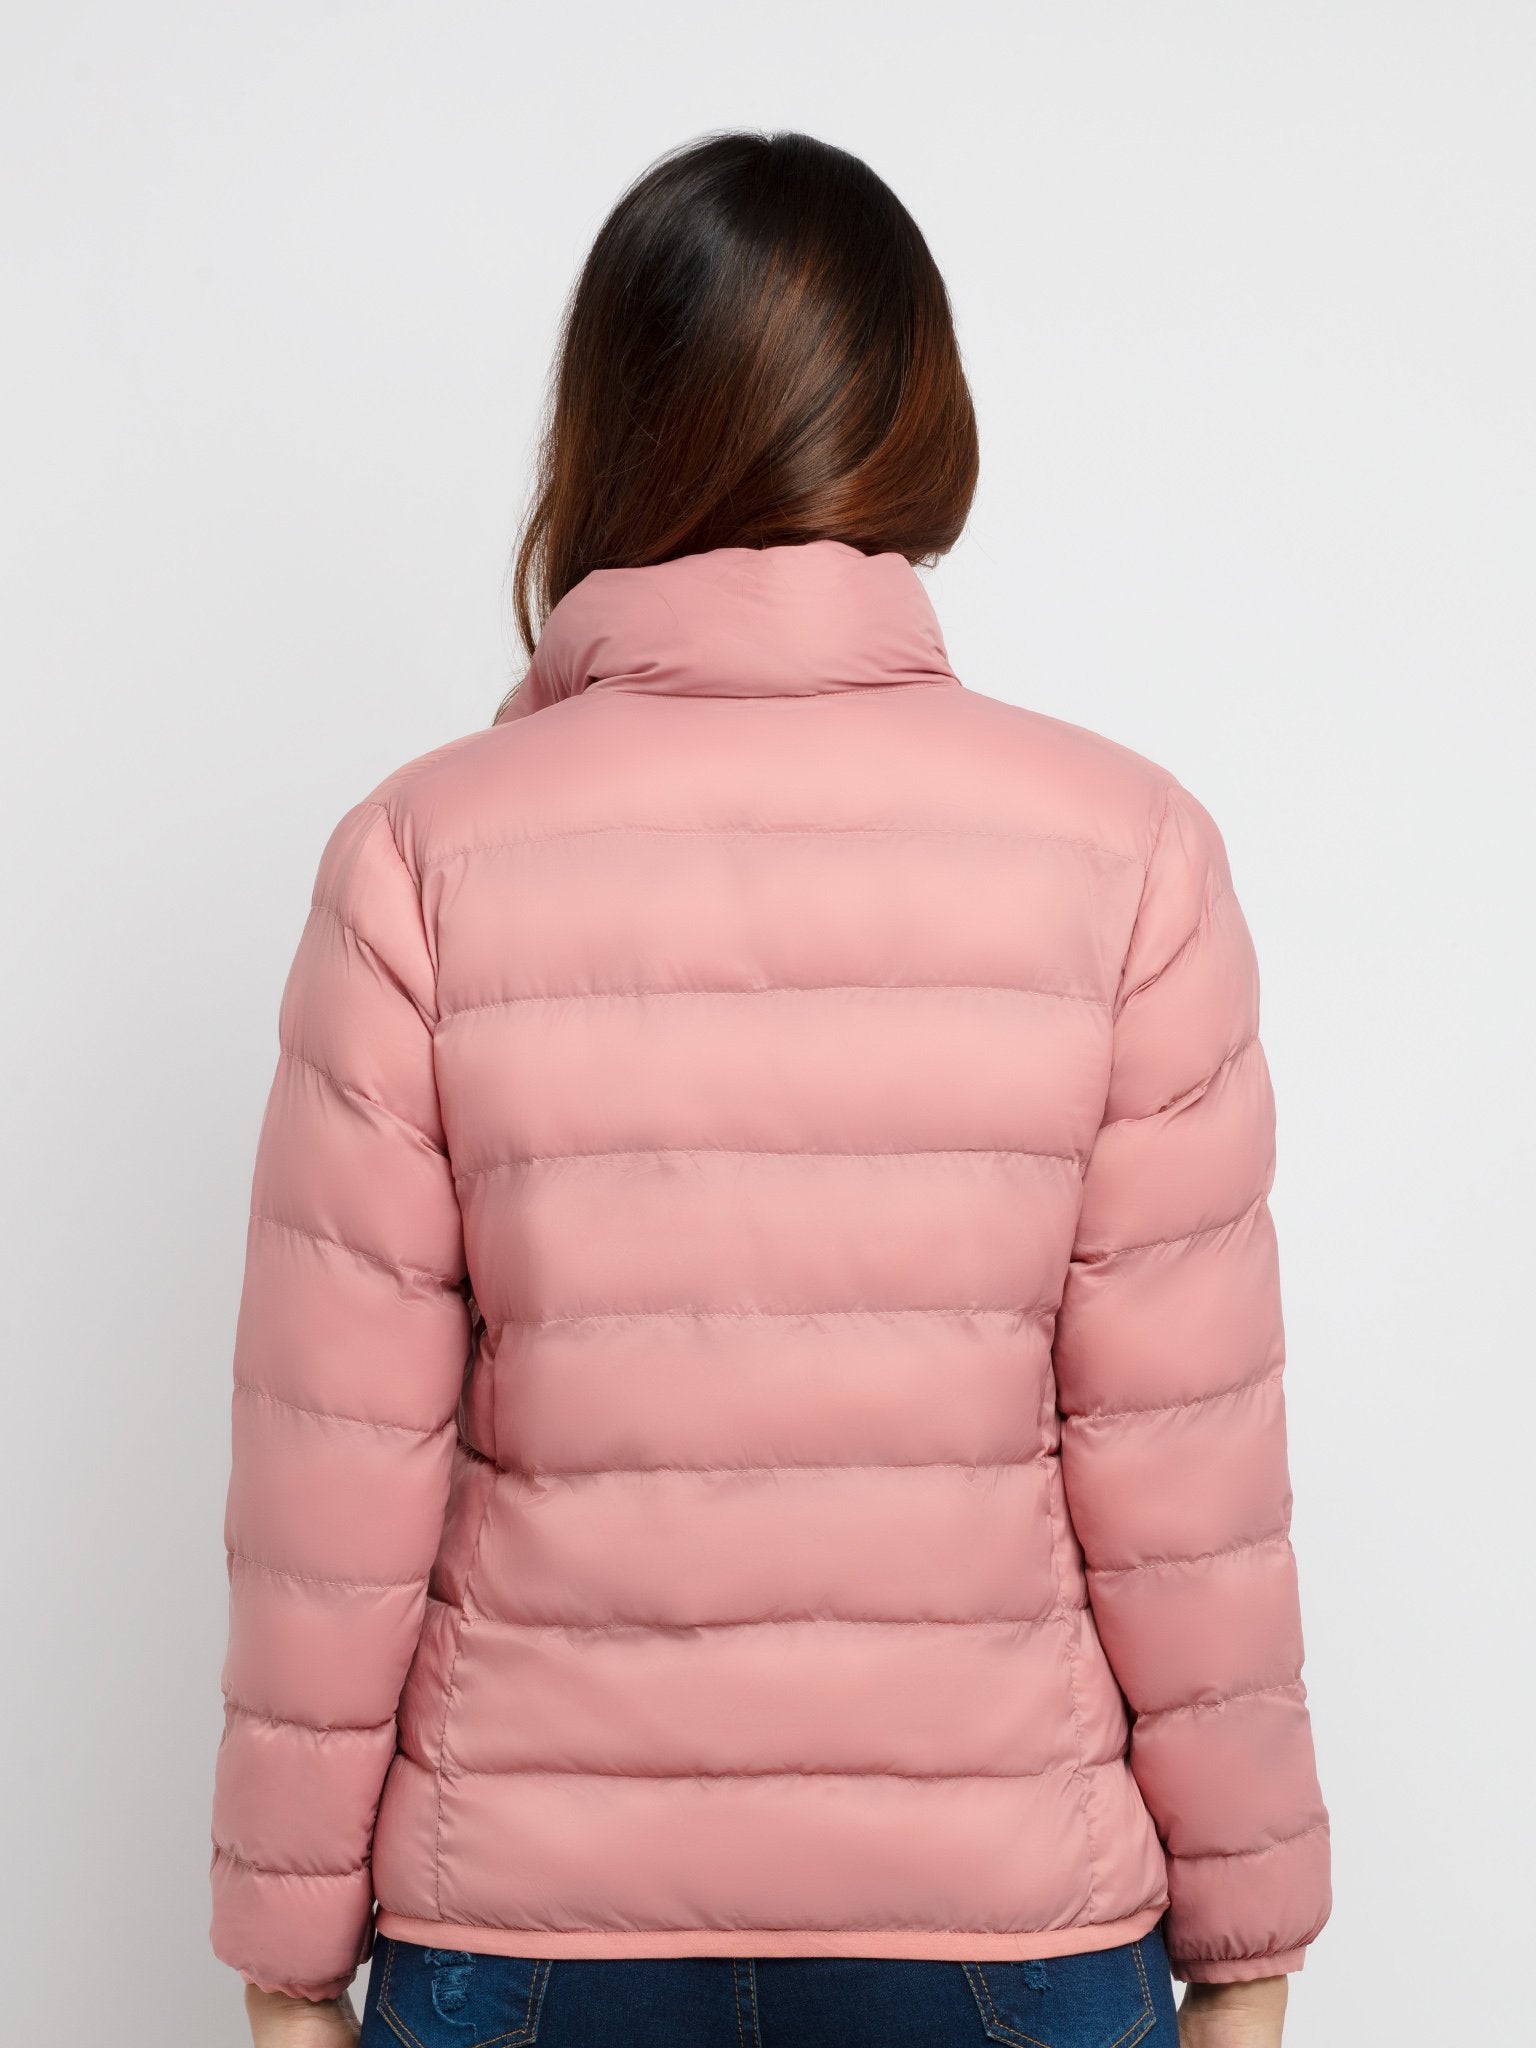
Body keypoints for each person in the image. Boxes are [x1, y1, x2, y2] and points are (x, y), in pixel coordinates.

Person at [208, 129, 1331, 2048]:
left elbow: (335, 1476)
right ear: (917, 419)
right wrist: (1251, 1942)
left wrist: (287, 1961)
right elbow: (1185, 1472)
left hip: (528, 1930)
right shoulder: (1129, 852)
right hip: (1004, 1920)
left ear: (610, 427)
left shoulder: (416, 859)